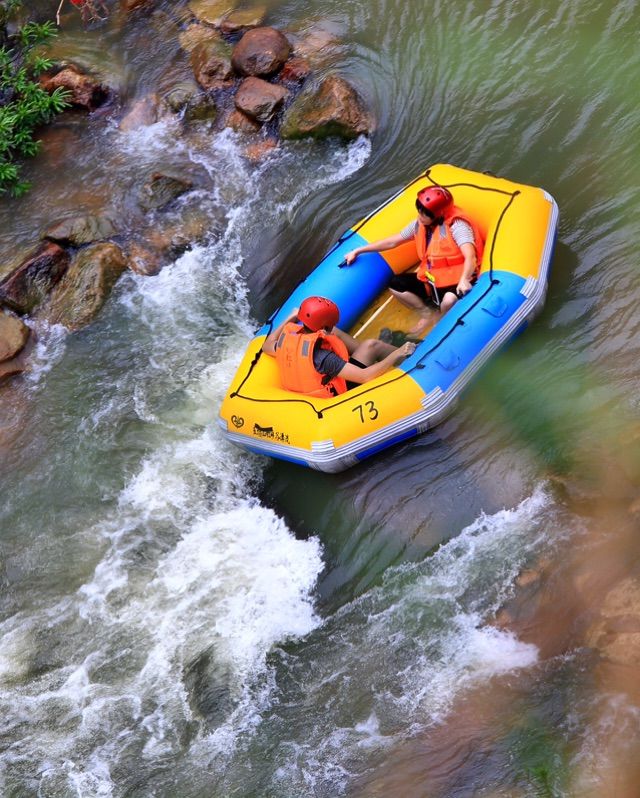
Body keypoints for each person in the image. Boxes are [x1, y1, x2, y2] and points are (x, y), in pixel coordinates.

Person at [344, 185, 484, 334]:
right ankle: (426, 314)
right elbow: (393, 241)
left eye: (424, 213)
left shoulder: (457, 226)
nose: (419, 215)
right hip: (433, 279)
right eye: (419, 210)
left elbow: (471, 256)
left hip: (458, 279)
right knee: (395, 284)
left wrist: (464, 279)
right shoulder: (420, 224)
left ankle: (441, 323)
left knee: (449, 300)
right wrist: (358, 251)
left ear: (438, 214)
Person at [261, 296, 416, 397]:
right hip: (339, 394)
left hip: (309, 389)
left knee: (338, 336)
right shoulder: (323, 357)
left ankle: (369, 349)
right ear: (324, 327)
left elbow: (266, 345)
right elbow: (364, 376)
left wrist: (290, 318)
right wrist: (397, 354)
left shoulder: (286, 343)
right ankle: (409, 353)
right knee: (372, 345)